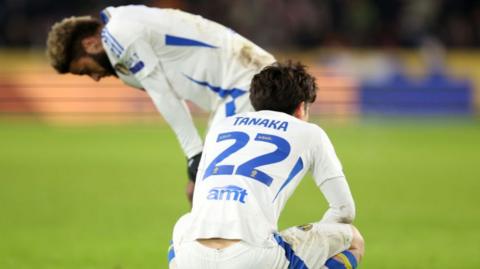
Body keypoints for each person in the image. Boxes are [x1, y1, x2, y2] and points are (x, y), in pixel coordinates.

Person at [45, 5, 276, 201]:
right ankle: (226, 249)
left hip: (243, 84)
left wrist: (194, 154)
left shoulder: (117, 34)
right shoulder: (123, 24)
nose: (94, 78)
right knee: (202, 191)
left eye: (86, 70)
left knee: (219, 188)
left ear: (91, 44)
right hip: (238, 87)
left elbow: (162, 92)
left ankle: (249, 249)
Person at [168, 61, 363, 269]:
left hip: (191, 256)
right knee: (353, 240)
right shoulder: (311, 133)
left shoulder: (219, 128)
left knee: (184, 224)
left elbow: (198, 197)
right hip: (254, 256)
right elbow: (344, 211)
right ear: (300, 108)